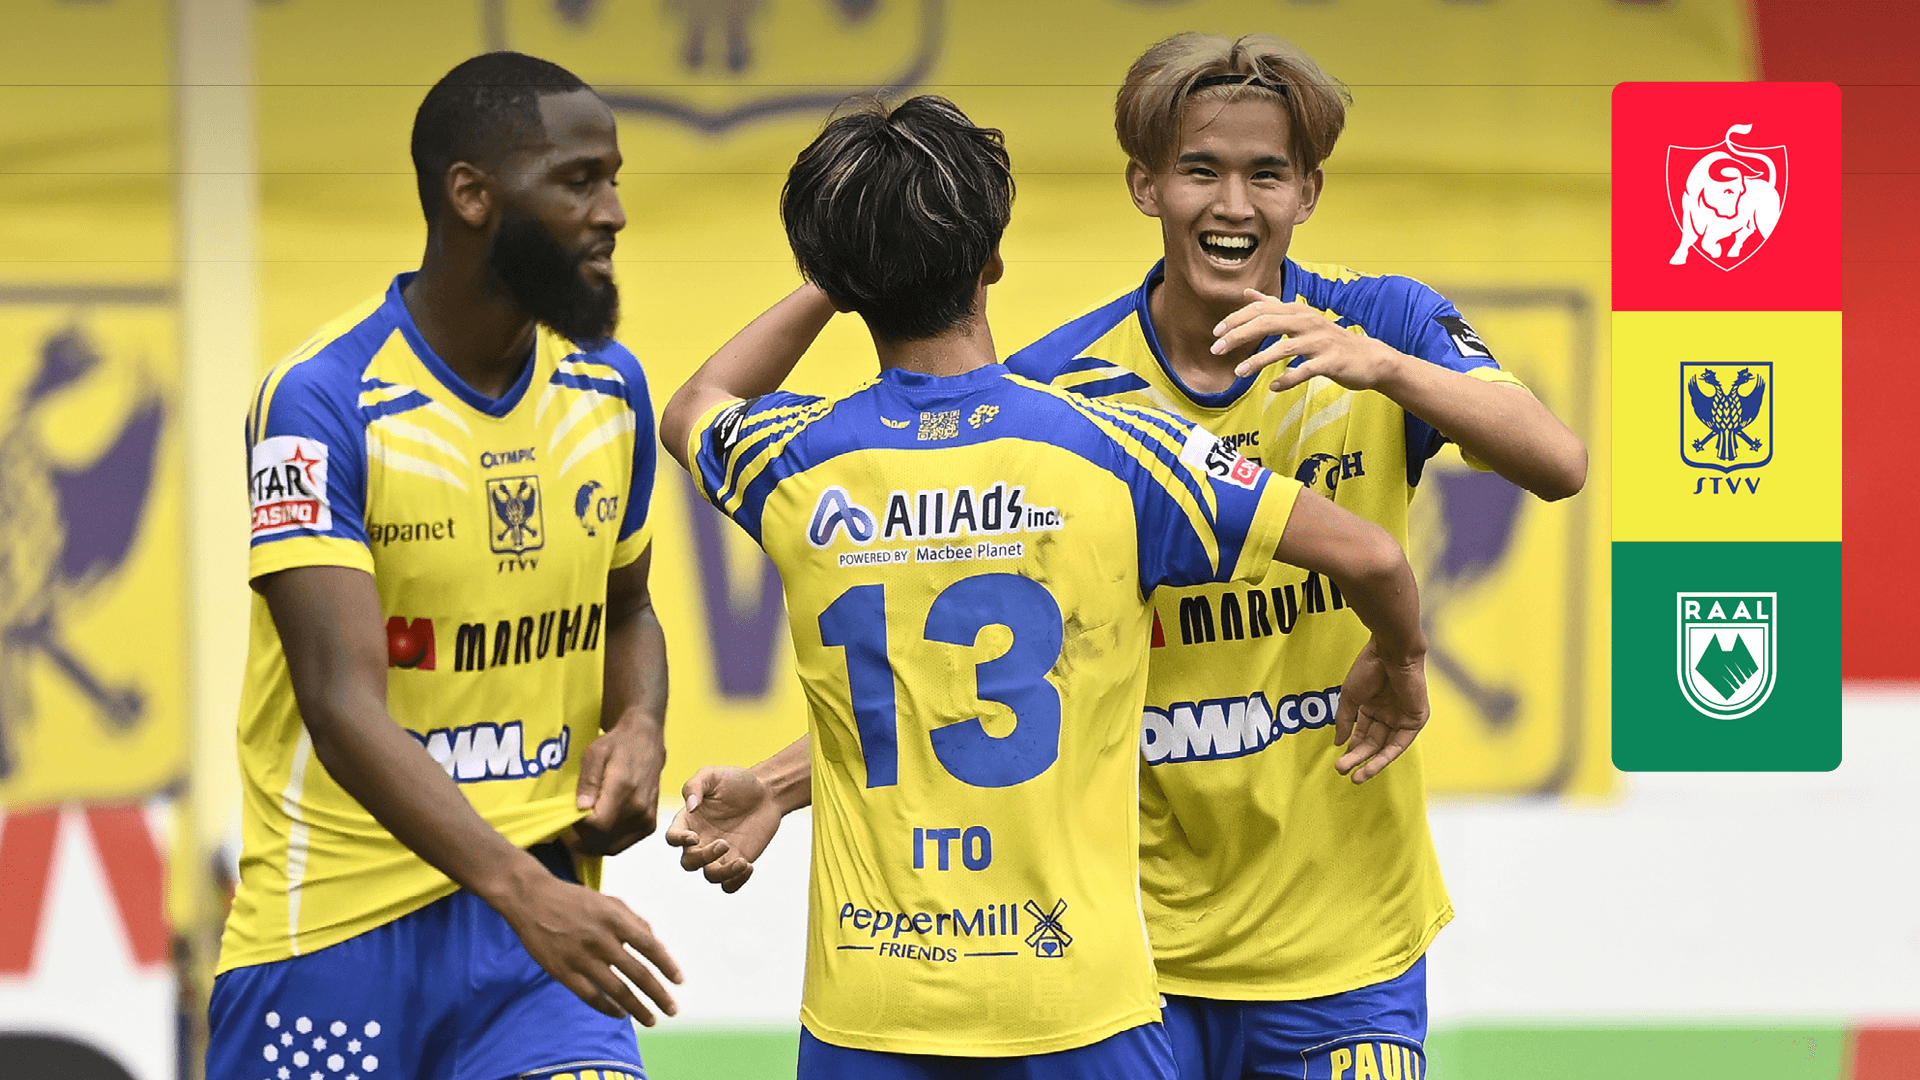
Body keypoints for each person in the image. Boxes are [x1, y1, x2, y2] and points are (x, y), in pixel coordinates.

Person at [657, 94, 1431, 1079]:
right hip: (1077, 1011)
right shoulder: (1116, 443)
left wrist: (840, 274)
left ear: (840, 277)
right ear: (992, 258)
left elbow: (698, 403)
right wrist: (1401, 660)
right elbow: (1373, 557)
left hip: (868, 1016)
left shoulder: (793, 459)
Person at [1000, 33, 1589, 1080]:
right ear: (1145, 186)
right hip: (1134, 955)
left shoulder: (1382, 323)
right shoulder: (1055, 385)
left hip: (1347, 952)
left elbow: (1557, 462)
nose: (1233, 204)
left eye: (1266, 173)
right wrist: (779, 785)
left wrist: (1385, 368)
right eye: (1200, 170)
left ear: (1307, 192)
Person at [207, 52, 680, 1080]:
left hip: (536, 950)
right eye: (579, 181)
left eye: (614, 180)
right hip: (332, 940)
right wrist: (523, 891)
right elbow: (340, 705)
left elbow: (629, 609)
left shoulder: (610, 389)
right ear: (472, 194)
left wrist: (641, 722)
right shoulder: (319, 400)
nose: (612, 213)